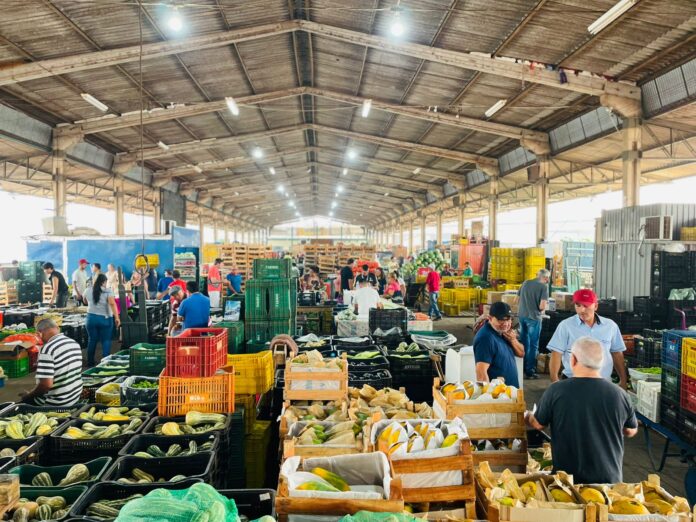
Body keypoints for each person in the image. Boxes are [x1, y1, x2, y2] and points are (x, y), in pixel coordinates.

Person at [525, 337, 638, 484]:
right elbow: (630, 430)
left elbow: (538, 424)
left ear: (573, 360)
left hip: (568, 482)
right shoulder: (619, 395)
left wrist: (527, 415)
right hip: (609, 481)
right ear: (602, 362)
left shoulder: (556, 391)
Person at [547, 289, 628, 389]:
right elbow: (556, 354)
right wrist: (554, 381)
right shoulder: (565, 326)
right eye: (578, 305)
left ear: (596, 306)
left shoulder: (610, 326)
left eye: (586, 305)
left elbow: (617, 354)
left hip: (603, 383)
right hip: (572, 383)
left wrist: (623, 380)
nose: (582, 310)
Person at [20, 318, 82, 406]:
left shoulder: (47, 349)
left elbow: (46, 385)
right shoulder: (74, 343)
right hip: (73, 397)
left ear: (39, 334)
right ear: (58, 328)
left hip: (57, 403)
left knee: (21, 403)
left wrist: (29, 395)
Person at [473, 302, 524, 387]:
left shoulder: (504, 333)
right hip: (499, 396)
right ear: (490, 318)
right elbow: (481, 374)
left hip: (510, 394)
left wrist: (513, 340)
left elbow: (521, 353)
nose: (505, 324)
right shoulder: (485, 338)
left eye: (508, 319)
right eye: (501, 320)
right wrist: (489, 397)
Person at [517, 268, 550, 380]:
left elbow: (516, 300)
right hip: (533, 318)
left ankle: (522, 367)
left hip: (521, 316)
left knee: (524, 343)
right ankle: (530, 371)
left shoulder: (525, 282)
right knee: (533, 345)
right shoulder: (543, 287)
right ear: (545, 278)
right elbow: (542, 306)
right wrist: (541, 310)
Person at [83, 273, 121, 367]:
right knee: (106, 340)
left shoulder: (88, 290)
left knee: (92, 340)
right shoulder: (108, 291)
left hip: (90, 318)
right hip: (105, 319)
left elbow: (84, 301)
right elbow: (112, 303)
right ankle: (105, 363)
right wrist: (117, 317)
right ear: (104, 281)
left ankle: (90, 362)